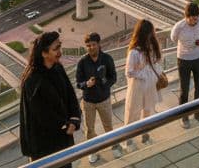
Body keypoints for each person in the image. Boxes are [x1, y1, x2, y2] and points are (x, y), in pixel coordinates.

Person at [19, 31, 82, 163]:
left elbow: (70, 96)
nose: (60, 51)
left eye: (60, 46)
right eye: (56, 49)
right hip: (44, 146)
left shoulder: (57, 68)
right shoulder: (32, 80)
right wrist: (65, 125)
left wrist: (74, 120)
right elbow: (41, 115)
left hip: (63, 139)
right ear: (44, 53)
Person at [75, 32, 123, 164]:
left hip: (104, 99)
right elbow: (78, 82)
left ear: (99, 44)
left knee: (108, 126)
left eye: (93, 44)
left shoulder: (107, 59)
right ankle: (93, 151)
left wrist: (104, 83)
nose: (91, 48)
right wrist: (86, 84)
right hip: (88, 102)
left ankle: (114, 146)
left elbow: (114, 77)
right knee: (89, 129)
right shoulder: (82, 62)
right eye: (88, 45)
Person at [123, 18, 164, 148]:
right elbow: (129, 72)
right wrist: (144, 75)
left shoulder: (152, 47)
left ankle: (145, 135)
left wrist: (154, 73)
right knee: (132, 112)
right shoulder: (134, 51)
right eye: (148, 33)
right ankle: (127, 139)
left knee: (147, 110)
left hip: (150, 85)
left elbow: (157, 62)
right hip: (138, 85)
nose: (150, 36)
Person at [171, 1, 199, 128]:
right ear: (186, 17)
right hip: (184, 60)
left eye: (196, 18)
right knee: (184, 89)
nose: (195, 21)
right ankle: (184, 116)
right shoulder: (179, 26)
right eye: (192, 19)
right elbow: (173, 38)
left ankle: (198, 113)